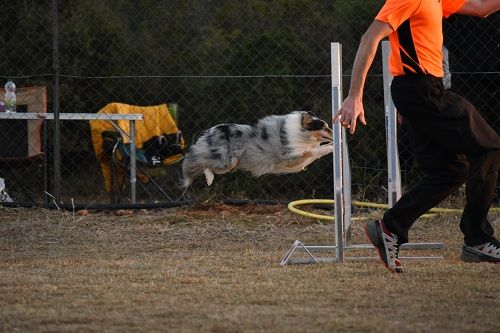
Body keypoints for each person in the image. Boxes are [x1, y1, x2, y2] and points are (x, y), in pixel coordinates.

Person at [333, 0, 500, 273]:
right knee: (490, 146)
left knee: (450, 170)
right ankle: (478, 239)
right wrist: (354, 95)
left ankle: (391, 227)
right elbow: (370, 37)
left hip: (420, 91)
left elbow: (481, 7)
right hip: (421, 89)